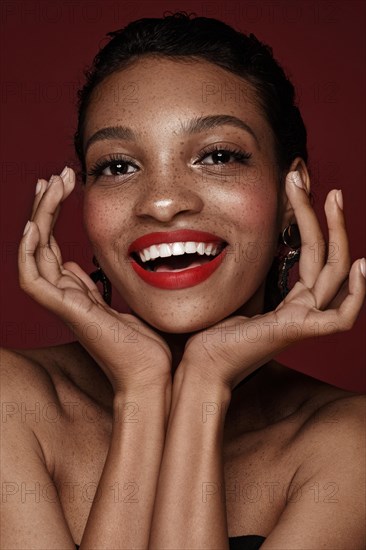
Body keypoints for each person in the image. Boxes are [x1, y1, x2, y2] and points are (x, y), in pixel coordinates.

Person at [1, 11, 365, 550]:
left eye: (218, 156)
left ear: (293, 195)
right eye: (119, 166)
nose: (163, 202)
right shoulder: (13, 404)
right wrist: (142, 393)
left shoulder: (348, 447)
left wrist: (203, 386)